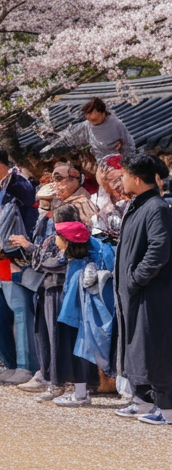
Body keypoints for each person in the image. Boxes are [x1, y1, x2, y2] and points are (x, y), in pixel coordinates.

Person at [111, 153, 172, 425]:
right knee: (136, 348)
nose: (121, 180)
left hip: (151, 292)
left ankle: (167, 409)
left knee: (154, 348)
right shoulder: (138, 205)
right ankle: (144, 402)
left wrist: (136, 279)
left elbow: (159, 249)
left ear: (136, 178)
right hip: (135, 292)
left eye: (123, 175)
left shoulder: (156, 207)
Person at [0, 145, 37, 385]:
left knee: (21, 311)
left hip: (16, 256)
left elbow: (28, 221)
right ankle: (7, 361)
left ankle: (26, 365)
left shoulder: (21, 186)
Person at [53, 213, 117, 407]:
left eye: (58, 236)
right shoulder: (86, 258)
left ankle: (81, 394)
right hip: (84, 315)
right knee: (80, 350)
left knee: (79, 350)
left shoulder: (81, 267)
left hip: (80, 316)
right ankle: (81, 392)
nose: (55, 240)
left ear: (68, 241)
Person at [43, 97, 136, 160]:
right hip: (101, 164)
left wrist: (124, 160)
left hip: (118, 162)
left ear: (102, 112)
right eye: (89, 119)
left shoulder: (116, 124)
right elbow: (70, 135)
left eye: (94, 119)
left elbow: (129, 145)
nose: (92, 121)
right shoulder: (87, 125)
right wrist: (52, 136)